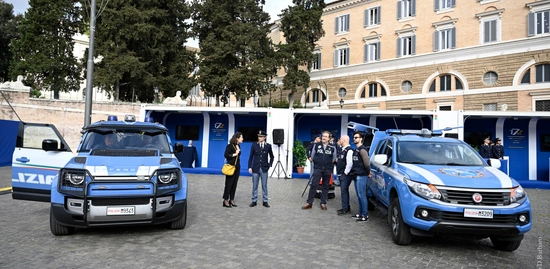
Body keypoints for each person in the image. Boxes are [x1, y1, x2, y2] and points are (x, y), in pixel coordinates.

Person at [302, 131, 337, 210]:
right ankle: (309, 202)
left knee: (325, 186)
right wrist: (318, 162)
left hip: (327, 169)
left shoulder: (332, 147)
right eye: (323, 136)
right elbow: (312, 155)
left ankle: (323, 203)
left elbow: (334, 158)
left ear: (329, 138)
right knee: (314, 185)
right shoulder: (316, 145)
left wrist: (327, 163)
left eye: (326, 136)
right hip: (318, 168)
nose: (324, 137)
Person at [248, 130, 274, 208]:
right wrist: (249, 166)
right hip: (255, 167)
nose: (260, 138)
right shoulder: (254, 145)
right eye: (259, 136)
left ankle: (265, 201)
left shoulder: (268, 146)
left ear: (264, 137)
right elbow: (251, 157)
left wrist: (270, 164)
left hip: (264, 168)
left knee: (264, 185)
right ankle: (254, 200)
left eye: (261, 137)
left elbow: (272, 156)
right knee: (255, 185)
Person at [350, 131, 371, 222]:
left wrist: (368, 172)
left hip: (362, 175)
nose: (354, 139)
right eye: (354, 137)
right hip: (356, 175)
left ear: (361, 139)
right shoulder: (356, 150)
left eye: (356, 137)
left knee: (362, 195)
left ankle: (365, 215)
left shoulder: (362, 150)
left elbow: (367, 164)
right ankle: (360, 213)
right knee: (359, 195)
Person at [223, 132, 244, 208]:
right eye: (241, 137)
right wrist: (234, 154)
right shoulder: (229, 146)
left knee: (234, 184)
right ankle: (225, 200)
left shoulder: (238, 146)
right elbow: (226, 155)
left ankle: (231, 199)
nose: (242, 139)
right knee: (229, 184)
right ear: (237, 138)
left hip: (237, 167)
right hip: (231, 167)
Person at [336, 135, 354, 215]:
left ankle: (345, 208)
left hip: (345, 175)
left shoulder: (349, 150)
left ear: (343, 140)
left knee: (344, 191)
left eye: (340, 139)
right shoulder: (343, 150)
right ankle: (345, 207)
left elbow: (350, 163)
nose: (339, 140)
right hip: (341, 174)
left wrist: (345, 173)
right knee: (343, 191)